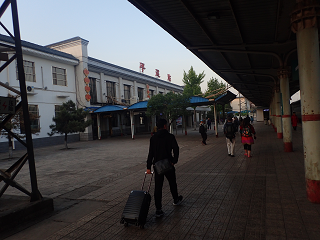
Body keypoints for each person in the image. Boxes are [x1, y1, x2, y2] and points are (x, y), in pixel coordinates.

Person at [146, 119, 183, 218]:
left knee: (158, 188)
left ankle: (159, 210)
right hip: (168, 164)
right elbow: (176, 149)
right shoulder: (170, 136)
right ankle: (175, 200)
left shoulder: (153, 138)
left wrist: (148, 167)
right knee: (172, 183)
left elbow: (151, 154)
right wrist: (174, 161)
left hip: (158, 166)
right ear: (165, 126)